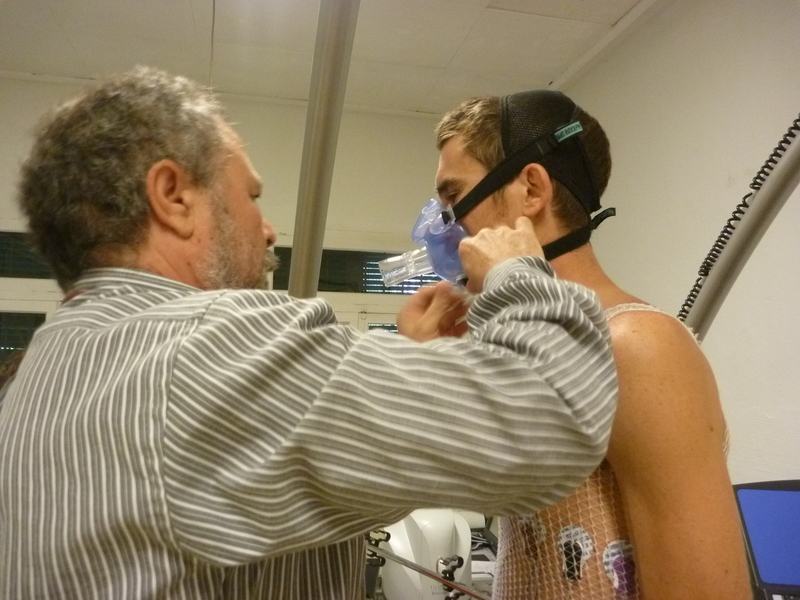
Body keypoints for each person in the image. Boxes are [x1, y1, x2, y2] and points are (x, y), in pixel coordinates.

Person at [0, 67, 618, 599]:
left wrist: (408, 363)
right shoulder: (202, 348)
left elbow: (301, 482)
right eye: (250, 196)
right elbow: (555, 416)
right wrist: (516, 272)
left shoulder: (45, 375)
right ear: (173, 197)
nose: (269, 230)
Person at [430, 90, 750, 598]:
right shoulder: (527, 350)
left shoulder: (636, 346)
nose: (442, 225)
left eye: (453, 197)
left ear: (531, 189)